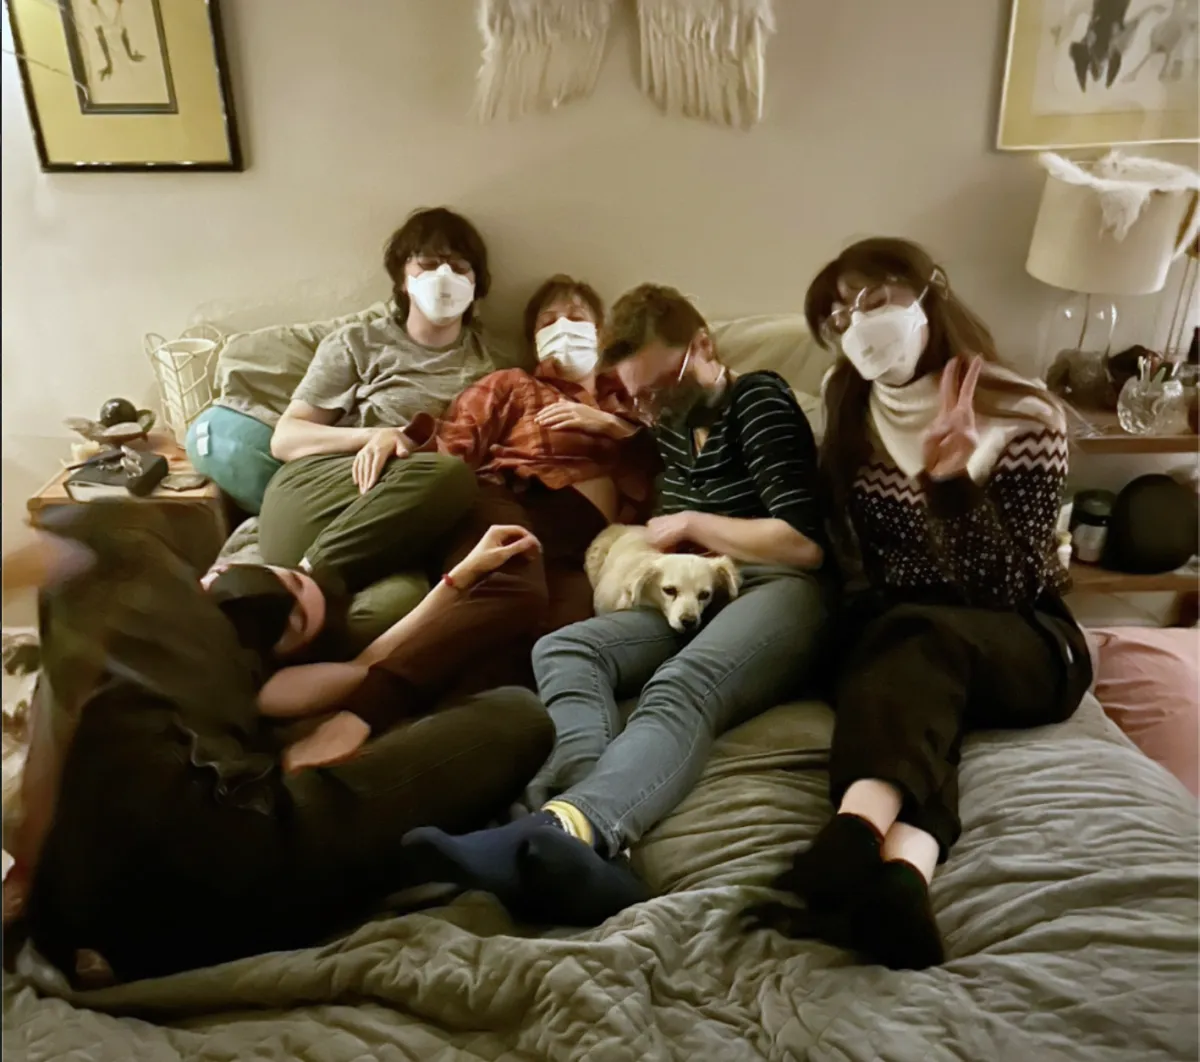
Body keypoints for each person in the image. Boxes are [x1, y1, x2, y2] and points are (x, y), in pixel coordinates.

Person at [403, 283, 830, 926]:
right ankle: (571, 833)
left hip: (778, 587)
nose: (651, 407)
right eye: (639, 396)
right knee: (565, 646)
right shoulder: (673, 422)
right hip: (689, 589)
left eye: (659, 389)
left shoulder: (757, 400)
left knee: (679, 686)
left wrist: (692, 521)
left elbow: (803, 544)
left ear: (703, 347)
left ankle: (570, 827)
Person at [2, 503, 553, 984]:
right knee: (112, 537)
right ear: (224, 567)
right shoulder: (142, 632)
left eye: (293, 623)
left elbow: (369, 665)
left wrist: (456, 580)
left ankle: (76, 896)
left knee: (520, 715)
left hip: (226, 828)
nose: (274, 608)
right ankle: (71, 893)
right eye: (286, 582)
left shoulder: (256, 680)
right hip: (129, 870)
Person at [744, 237, 1093, 971]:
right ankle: (903, 880)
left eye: (875, 300)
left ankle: (847, 840)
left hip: (1022, 638)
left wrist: (953, 485)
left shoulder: (1023, 411)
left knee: (914, 638)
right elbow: (850, 553)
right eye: (839, 316)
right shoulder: (847, 401)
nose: (857, 323)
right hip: (904, 644)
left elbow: (1012, 586)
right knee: (916, 693)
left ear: (930, 293)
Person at [286, 275, 660, 768]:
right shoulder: (513, 384)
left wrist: (612, 427)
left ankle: (407, 755)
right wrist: (398, 440)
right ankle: (359, 713)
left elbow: (673, 464)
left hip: (581, 547)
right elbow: (454, 447)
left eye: (577, 318)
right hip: (506, 499)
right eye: (549, 321)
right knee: (517, 588)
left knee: (548, 649)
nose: (564, 328)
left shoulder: (631, 402)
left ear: (602, 332)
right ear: (533, 339)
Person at [256, 207, 514, 632]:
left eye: (459, 267)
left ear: (476, 283)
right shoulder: (359, 342)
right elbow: (285, 439)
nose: (444, 276)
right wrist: (377, 436)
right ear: (403, 279)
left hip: (404, 517)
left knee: (393, 607)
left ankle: (305, 596)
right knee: (449, 474)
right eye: (428, 264)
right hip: (320, 493)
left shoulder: (495, 364)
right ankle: (305, 581)